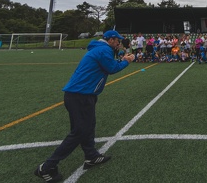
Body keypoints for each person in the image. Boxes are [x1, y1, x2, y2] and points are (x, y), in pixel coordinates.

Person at [34, 30, 135, 182]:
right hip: (80, 95)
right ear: (112, 40)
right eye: (118, 41)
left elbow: (110, 64)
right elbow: (112, 68)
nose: (119, 43)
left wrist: (121, 58)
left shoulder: (100, 49)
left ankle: (91, 156)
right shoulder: (104, 50)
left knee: (88, 126)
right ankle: (47, 167)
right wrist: (127, 60)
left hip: (81, 94)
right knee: (79, 131)